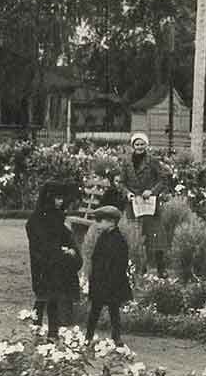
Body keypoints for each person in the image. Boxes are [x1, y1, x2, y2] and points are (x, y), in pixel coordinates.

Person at [25, 182, 82, 340]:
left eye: (62, 199)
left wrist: (70, 249)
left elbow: (63, 236)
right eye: (57, 198)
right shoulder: (38, 219)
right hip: (43, 263)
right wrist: (62, 252)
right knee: (44, 297)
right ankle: (37, 328)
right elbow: (42, 243)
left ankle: (52, 332)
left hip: (55, 263)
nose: (60, 202)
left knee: (51, 298)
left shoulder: (56, 217)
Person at [118, 132, 167, 275]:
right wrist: (127, 193)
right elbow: (121, 182)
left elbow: (162, 180)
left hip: (150, 205)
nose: (139, 147)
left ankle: (161, 268)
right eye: (137, 144)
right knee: (135, 235)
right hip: (134, 204)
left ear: (146, 145)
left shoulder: (152, 161)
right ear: (133, 146)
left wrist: (152, 191)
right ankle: (139, 268)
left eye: (142, 144)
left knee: (156, 236)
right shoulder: (127, 162)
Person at [86, 205, 131, 345]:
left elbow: (120, 264)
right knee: (95, 309)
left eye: (101, 221)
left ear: (111, 222)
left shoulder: (119, 240)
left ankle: (116, 336)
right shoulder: (102, 237)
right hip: (100, 280)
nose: (98, 224)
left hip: (112, 281)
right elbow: (96, 258)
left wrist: (113, 279)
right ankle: (88, 335)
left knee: (113, 309)